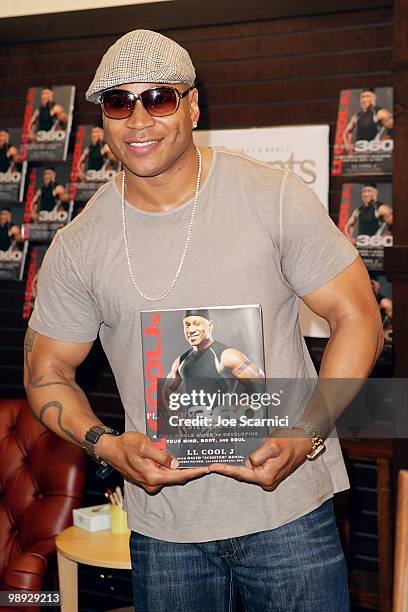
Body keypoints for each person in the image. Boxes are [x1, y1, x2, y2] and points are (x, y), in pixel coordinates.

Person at [24, 30, 383, 611]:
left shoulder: (271, 197)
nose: (139, 119)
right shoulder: (78, 244)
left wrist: (305, 431)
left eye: (159, 98)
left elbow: (359, 317)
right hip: (164, 531)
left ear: (193, 105)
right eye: (119, 102)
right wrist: (107, 446)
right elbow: (46, 371)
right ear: (103, 121)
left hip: (288, 511)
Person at [164, 308, 265, 425]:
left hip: (221, 437)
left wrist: (231, 413)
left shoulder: (227, 356)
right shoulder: (181, 361)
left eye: (197, 324)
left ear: (210, 325)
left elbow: (259, 381)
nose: (190, 330)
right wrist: (176, 414)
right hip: (189, 436)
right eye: (187, 325)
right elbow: (168, 389)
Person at [343, 87, 393, 154]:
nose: (364, 99)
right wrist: (348, 145)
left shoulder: (380, 113)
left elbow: (393, 129)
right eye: (362, 97)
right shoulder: (357, 116)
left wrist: (380, 143)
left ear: (374, 97)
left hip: (374, 155)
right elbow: (347, 132)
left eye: (368, 96)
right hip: (359, 154)